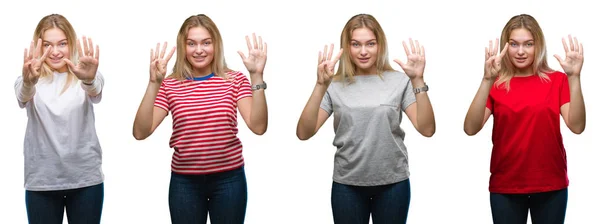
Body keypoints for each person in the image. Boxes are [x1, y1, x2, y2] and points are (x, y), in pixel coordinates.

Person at [296, 13, 436, 224]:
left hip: (393, 183)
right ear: (347, 47)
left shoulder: (400, 81)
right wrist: (319, 86)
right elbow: (304, 133)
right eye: (356, 44)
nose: (363, 51)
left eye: (370, 44)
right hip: (347, 185)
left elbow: (427, 129)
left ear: (380, 45)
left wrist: (418, 80)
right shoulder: (332, 84)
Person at [132, 14, 268, 224]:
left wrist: (256, 77)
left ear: (216, 44)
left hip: (229, 180)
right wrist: (153, 83)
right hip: (185, 182)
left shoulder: (235, 80)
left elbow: (258, 127)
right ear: (183, 46)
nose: (199, 50)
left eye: (206, 42)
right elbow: (140, 132)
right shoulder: (169, 85)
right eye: (191, 43)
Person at [463, 14, 586, 224]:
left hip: (550, 184)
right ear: (505, 46)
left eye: (528, 44)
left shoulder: (557, 80)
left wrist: (574, 78)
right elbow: (470, 128)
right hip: (506, 185)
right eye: (514, 44)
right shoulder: (496, 83)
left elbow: (577, 126)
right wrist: (486, 80)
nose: (521, 51)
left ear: (538, 45)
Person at [14, 14, 105, 224]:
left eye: (62, 44)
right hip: (42, 181)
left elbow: (96, 92)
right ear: (39, 46)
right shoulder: (28, 78)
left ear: (71, 44)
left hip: (85, 180)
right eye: (48, 45)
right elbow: (22, 96)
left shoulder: (84, 74)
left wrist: (89, 78)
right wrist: (29, 81)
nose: (55, 52)